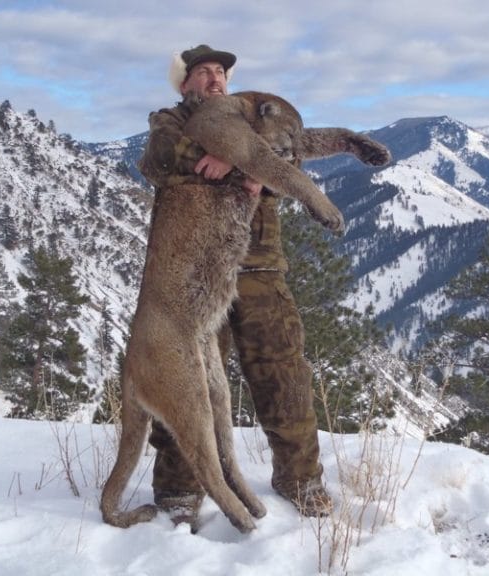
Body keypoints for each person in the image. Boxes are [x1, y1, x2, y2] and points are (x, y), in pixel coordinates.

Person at [138, 44, 333, 524]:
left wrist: (246, 163)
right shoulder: (169, 122)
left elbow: (289, 163)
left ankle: (300, 479)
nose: (214, 79)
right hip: (195, 274)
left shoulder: (256, 123)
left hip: (260, 267)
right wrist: (238, 158)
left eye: (220, 71)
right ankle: (180, 489)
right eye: (202, 72)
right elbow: (162, 159)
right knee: (189, 381)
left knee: (284, 373)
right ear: (184, 84)